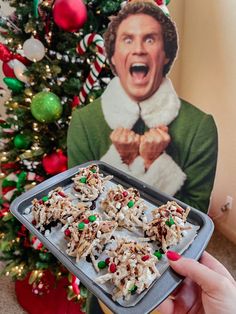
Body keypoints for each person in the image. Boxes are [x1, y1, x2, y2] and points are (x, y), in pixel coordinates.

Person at [67, 0, 218, 214]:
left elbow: (196, 215)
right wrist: (120, 162)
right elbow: (80, 203)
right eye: (128, 40)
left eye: (149, 39)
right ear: (112, 57)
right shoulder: (84, 122)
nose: (138, 50)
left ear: (166, 54)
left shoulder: (199, 127)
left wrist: (154, 163)